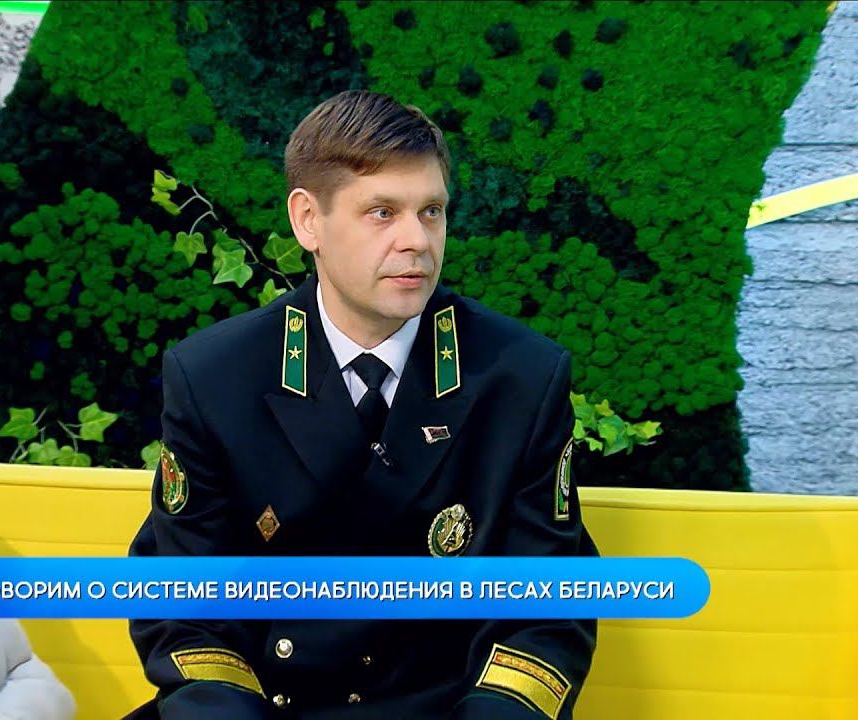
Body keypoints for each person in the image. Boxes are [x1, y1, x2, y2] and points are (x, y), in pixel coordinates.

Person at [126, 89, 598, 720]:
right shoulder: (215, 376)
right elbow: (186, 604)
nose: (417, 241)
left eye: (431, 211)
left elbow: (547, 611)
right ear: (308, 220)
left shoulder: (521, 378)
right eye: (382, 212)